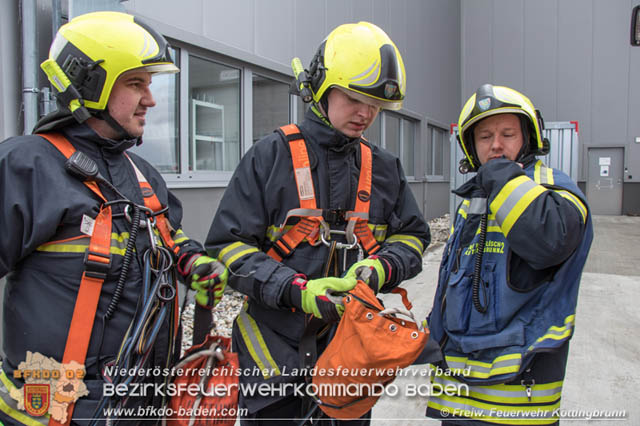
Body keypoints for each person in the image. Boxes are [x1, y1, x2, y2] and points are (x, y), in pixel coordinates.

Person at [0, 11, 227, 425]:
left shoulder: (142, 176)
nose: (151, 99)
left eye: (150, 84)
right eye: (136, 83)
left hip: (140, 407)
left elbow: (168, 237)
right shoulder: (27, 166)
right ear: (91, 85)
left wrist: (192, 260)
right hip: (55, 411)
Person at [205, 21, 430, 424]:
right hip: (272, 356)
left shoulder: (383, 168)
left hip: (350, 356)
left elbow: (413, 237)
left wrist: (379, 267)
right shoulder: (270, 156)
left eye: (376, 104)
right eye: (354, 98)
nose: (366, 113)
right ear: (321, 90)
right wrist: (296, 291)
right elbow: (226, 247)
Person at [425, 84, 593, 425]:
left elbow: (550, 241)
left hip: (517, 399)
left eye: (507, 134)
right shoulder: (473, 202)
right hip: (458, 393)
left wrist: (503, 178)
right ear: (471, 147)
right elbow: (452, 284)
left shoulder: (553, 190)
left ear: (528, 138)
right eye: (484, 136)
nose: (496, 145)